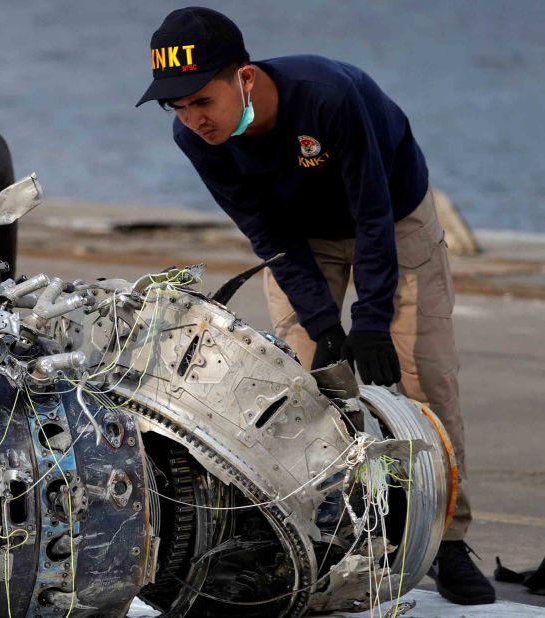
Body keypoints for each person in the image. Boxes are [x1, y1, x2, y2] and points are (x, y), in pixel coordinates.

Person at [136, 6, 495, 606]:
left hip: (393, 217)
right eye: (178, 106)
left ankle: (447, 542)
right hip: (301, 237)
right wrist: (327, 327)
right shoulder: (197, 140)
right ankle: (336, 532)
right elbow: (267, 234)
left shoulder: (327, 98)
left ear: (243, 78)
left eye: (202, 99)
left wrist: (372, 320)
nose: (193, 119)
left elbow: (374, 214)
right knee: (305, 391)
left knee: (423, 379)